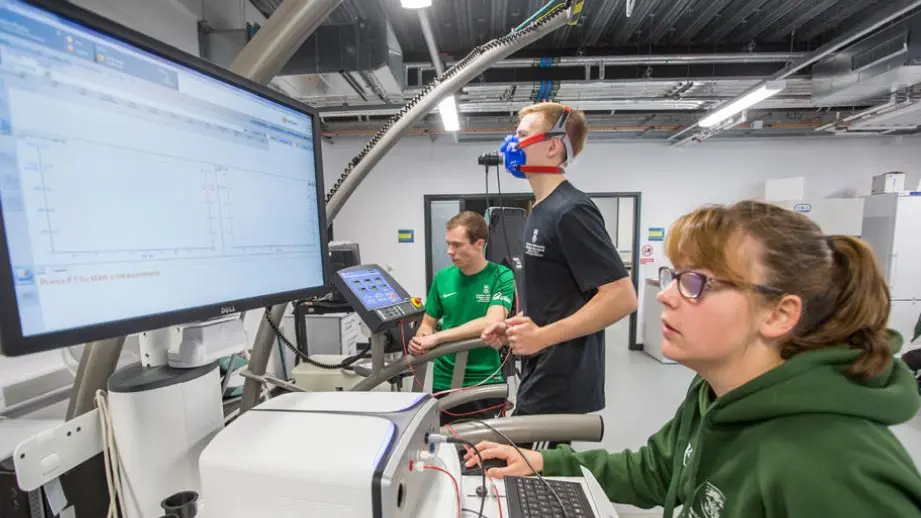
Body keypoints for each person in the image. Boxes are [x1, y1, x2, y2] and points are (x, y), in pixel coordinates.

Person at [467, 200, 921, 517]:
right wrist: (547, 464)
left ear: (779, 314)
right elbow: (658, 471)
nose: (665, 295)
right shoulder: (718, 392)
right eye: (674, 276)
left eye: (697, 282)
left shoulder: (838, 469)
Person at [481, 102, 638, 443]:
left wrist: (541, 337)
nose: (511, 144)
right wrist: (515, 326)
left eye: (522, 135)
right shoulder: (540, 209)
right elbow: (556, 296)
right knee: (528, 465)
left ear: (553, 147)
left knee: (522, 463)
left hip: (560, 376)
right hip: (540, 367)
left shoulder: (571, 210)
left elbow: (621, 297)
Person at [409, 211, 515, 424]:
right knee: (445, 440)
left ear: (479, 244)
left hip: (484, 378)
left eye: (457, 245)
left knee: (485, 442)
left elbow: (492, 321)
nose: (450, 251)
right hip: (444, 380)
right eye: (448, 244)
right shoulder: (443, 277)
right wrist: (421, 338)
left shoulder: (501, 275)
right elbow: (428, 322)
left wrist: (437, 338)